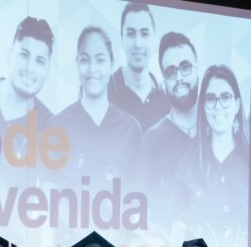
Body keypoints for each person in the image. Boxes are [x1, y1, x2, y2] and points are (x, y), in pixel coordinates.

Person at [48, 25, 142, 191]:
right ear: (77, 63)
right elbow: (47, 194)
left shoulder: (130, 129)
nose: (92, 69)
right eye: (85, 60)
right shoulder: (56, 127)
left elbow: (137, 199)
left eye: (100, 60)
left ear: (112, 64)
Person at [0, 16, 56, 187]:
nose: (30, 68)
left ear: (48, 71)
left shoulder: (51, 129)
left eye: (39, 61)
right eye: (24, 55)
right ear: (9, 55)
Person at [176, 64, 249, 229]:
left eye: (225, 97)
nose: (217, 106)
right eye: (210, 99)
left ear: (237, 104)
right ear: (203, 106)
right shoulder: (188, 164)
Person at [139, 32, 200, 226]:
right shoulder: (151, 140)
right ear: (163, 82)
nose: (179, 77)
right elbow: (146, 212)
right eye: (171, 72)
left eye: (185, 67)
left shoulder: (219, 131)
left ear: (198, 69)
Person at [108, 2, 169, 134]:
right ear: (122, 40)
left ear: (154, 40)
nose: (138, 44)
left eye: (144, 34)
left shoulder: (166, 99)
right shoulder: (104, 91)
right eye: (130, 34)